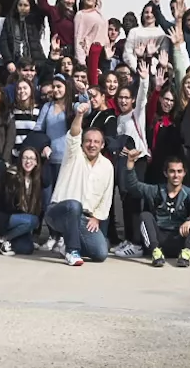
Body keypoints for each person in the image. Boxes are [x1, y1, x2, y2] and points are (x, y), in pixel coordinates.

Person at [46, 102, 115, 265]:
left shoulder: (107, 166)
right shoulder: (73, 155)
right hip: (59, 211)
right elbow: (74, 134)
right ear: (83, 143)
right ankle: (72, 251)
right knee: (74, 205)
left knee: (100, 253)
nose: (92, 145)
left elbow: (107, 196)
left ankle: (66, 245)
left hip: (84, 218)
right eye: (88, 141)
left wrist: (97, 217)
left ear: (102, 145)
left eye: (96, 142)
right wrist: (79, 115)